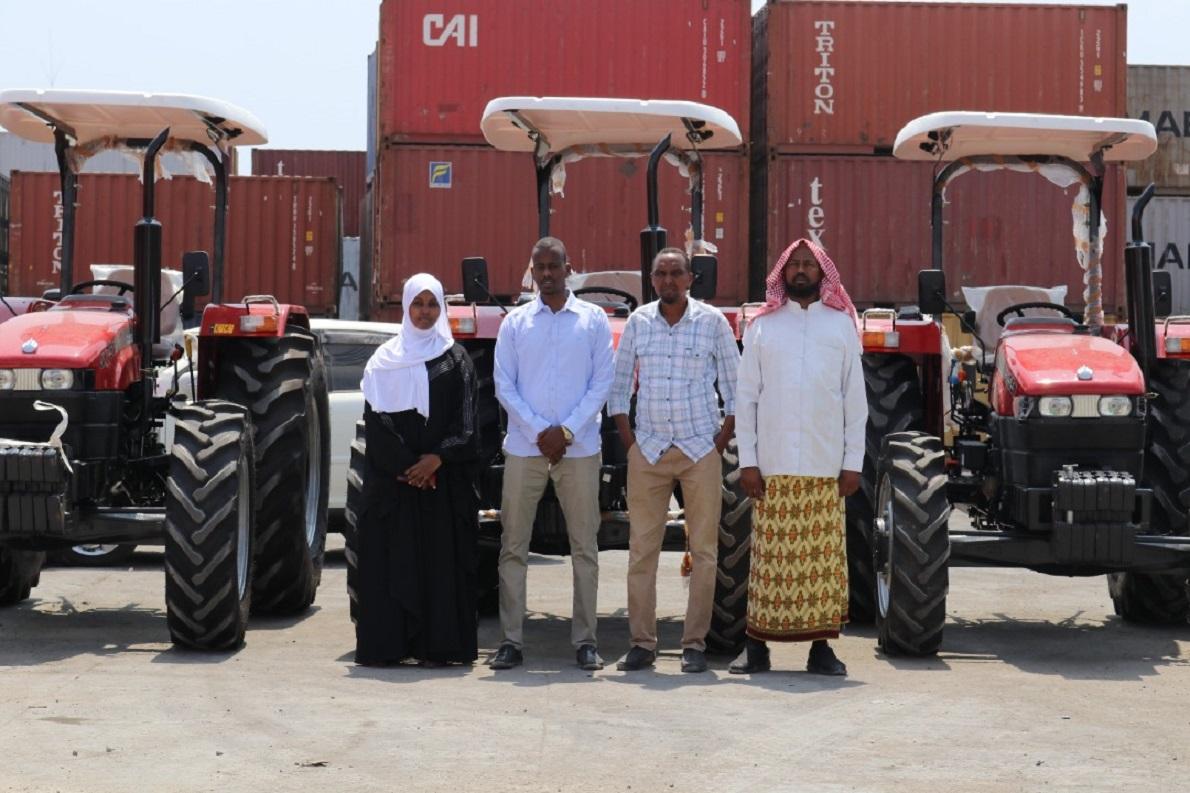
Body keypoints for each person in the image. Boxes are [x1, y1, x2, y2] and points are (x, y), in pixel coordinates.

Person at [729, 238, 867, 677]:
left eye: (810, 264)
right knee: (768, 561)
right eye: (795, 265)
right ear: (783, 274)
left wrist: (854, 462)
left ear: (823, 273)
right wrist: (747, 461)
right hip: (772, 465)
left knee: (823, 564)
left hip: (826, 465)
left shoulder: (841, 325)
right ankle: (755, 646)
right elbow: (746, 398)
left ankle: (821, 649)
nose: (802, 271)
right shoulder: (762, 327)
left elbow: (855, 400)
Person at [608, 247, 740, 674]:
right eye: (660, 274)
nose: (668, 281)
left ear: (690, 279)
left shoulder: (712, 323)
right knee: (641, 550)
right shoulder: (639, 323)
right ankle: (642, 644)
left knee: (704, 551)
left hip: (700, 449)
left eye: (676, 273)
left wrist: (719, 442)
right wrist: (630, 442)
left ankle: (694, 644)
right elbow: (619, 386)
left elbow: (735, 387)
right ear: (652, 279)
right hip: (647, 450)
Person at [489, 237, 615, 671]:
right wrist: (539, 431)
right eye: (539, 266)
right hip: (525, 448)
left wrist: (565, 431)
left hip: (579, 449)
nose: (546, 274)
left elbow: (603, 383)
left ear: (568, 267)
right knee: (513, 545)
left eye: (553, 266)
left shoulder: (593, 320)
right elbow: (504, 384)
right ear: (532, 270)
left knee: (585, 547)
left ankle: (586, 640)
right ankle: (511, 641)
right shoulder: (516, 323)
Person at [354, 273, 481, 668]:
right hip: (397, 485)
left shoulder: (455, 358)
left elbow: (466, 425)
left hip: (441, 486)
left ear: (441, 308)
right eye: (418, 304)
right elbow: (376, 425)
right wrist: (409, 467)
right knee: (392, 566)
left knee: (440, 569)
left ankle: (438, 647)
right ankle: (389, 647)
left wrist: (435, 459)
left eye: (432, 304)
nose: (425, 312)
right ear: (406, 307)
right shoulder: (382, 361)